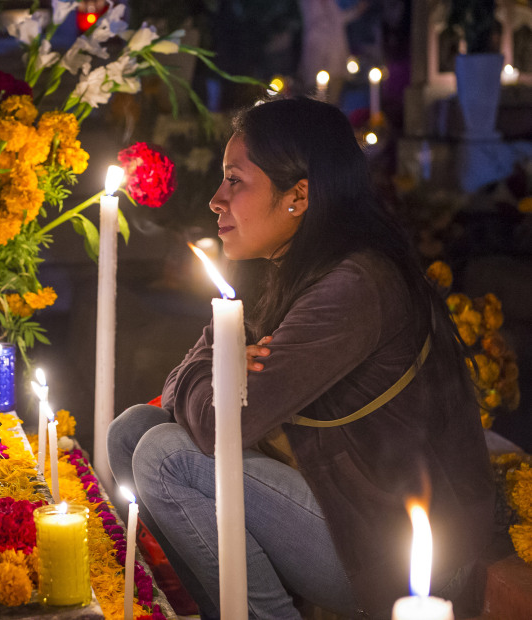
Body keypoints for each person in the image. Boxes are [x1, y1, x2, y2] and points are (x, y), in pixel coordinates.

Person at [107, 98, 494, 620]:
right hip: (334, 507)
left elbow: (225, 423)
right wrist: (216, 364)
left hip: (389, 550)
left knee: (164, 454)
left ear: (299, 196)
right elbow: (193, 393)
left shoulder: (354, 285)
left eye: (235, 181)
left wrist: (211, 366)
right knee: (132, 430)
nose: (216, 200)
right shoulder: (292, 267)